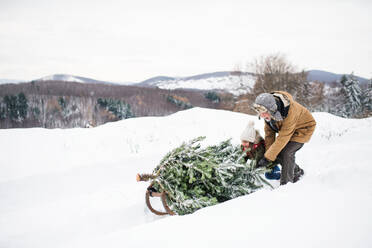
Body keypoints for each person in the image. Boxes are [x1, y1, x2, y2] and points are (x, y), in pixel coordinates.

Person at [253, 91, 316, 185]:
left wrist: (267, 158)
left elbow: (283, 138)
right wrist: (268, 155)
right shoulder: (268, 115)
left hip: (303, 129)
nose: (262, 116)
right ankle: (297, 171)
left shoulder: (290, 112)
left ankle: (286, 184)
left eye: (264, 112)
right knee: (275, 153)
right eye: (259, 112)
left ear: (272, 109)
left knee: (287, 152)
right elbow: (269, 135)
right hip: (288, 130)